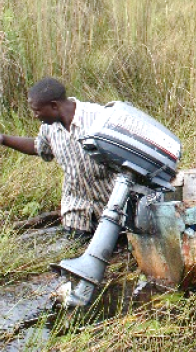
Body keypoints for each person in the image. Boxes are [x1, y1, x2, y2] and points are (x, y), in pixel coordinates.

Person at [0, 77, 116, 240]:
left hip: (112, 202)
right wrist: (4, 139)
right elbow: (37, 147)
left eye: (37, 110)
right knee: (73, 246)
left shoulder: (98, 118)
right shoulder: (49, 128)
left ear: (54, 105)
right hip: (76, 208)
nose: (34, 115)